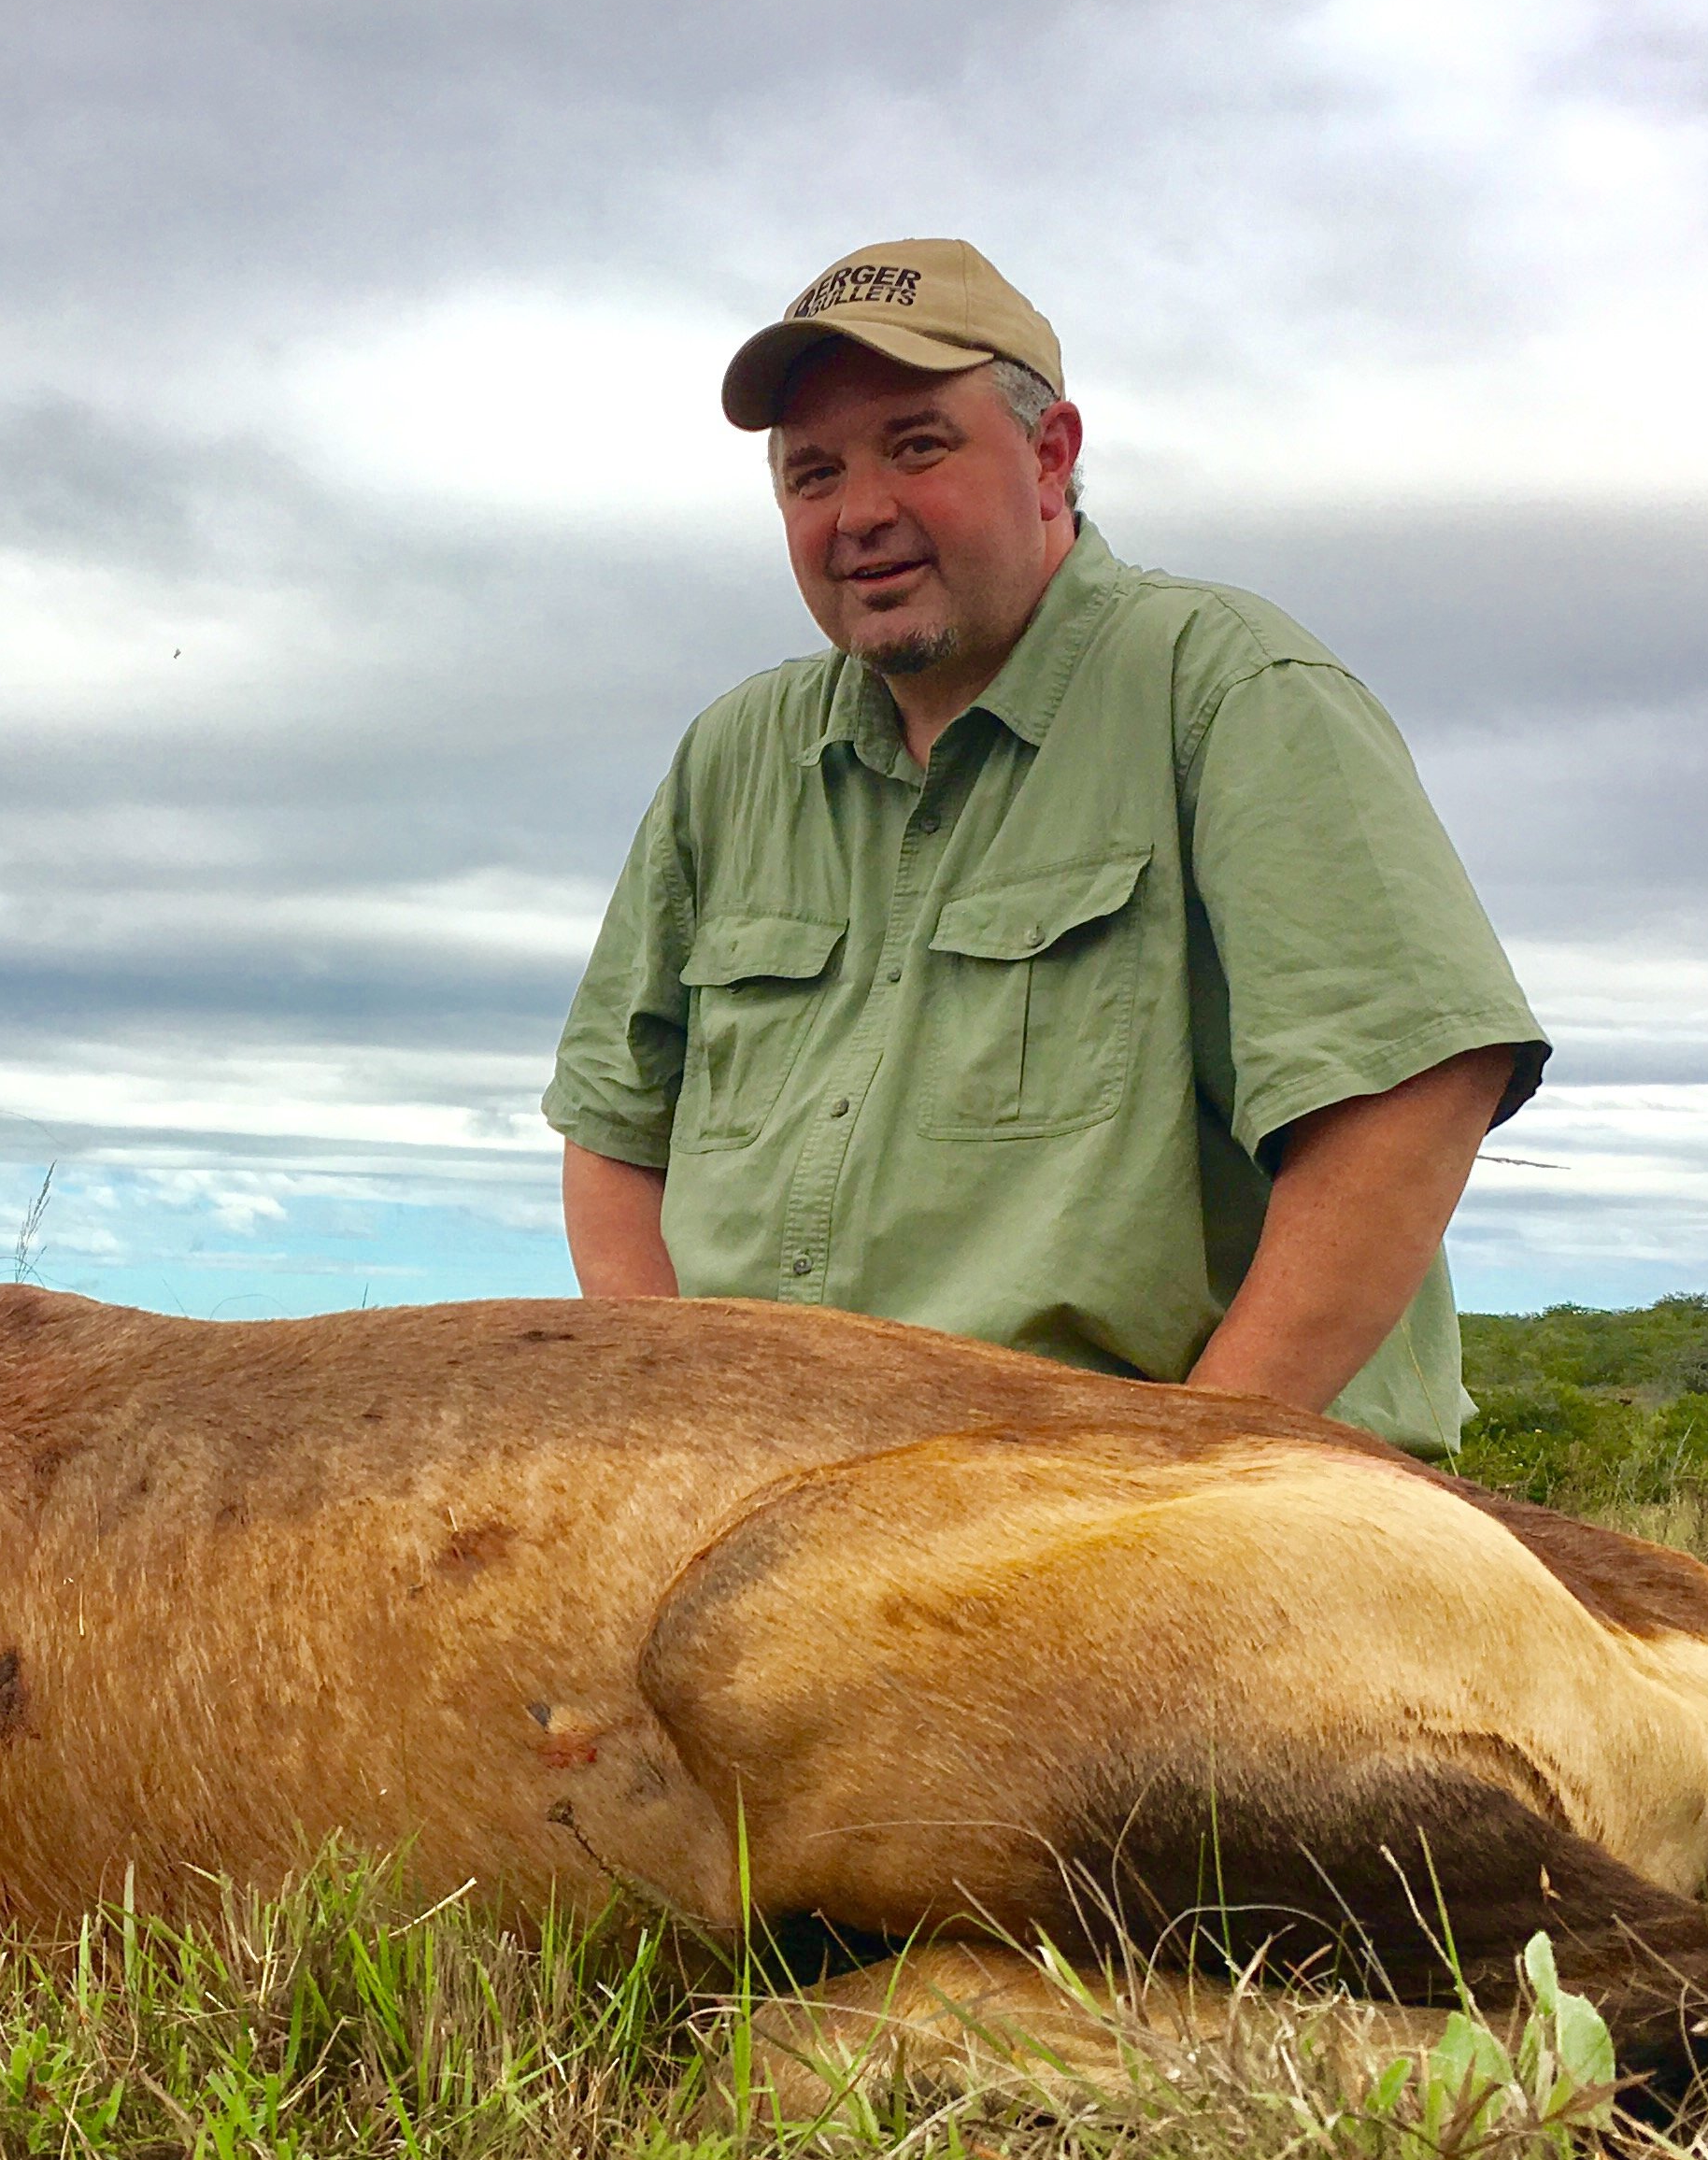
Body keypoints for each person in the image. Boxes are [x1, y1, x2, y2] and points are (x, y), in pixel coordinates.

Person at [544, 237, 1545, 1456]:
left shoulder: (1229, 691)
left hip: (1135, 1503)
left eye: (918, 446)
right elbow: (612, 1127)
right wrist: (681, 1436)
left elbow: (1412, 1087)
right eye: (812, 475)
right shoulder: (734, 757)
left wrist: (1187, 1477)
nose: (860, 514)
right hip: (763, 1505)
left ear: (1050, 455)